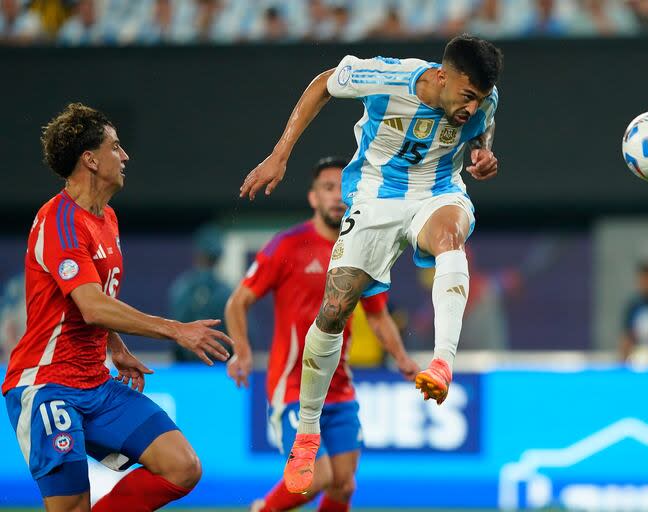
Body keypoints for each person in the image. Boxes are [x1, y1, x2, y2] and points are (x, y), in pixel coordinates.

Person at [239, 34, 502, 493]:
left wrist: (480, 150)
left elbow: (482, 123)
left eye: (479, 98)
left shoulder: (484, 98)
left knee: (450, 240)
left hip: (437, 190)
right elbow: (323, 83)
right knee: (334, 309)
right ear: (443, 76)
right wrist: (280, 154)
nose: (472, 106)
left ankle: (442, 363)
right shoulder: (389, 76)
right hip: (376, 194)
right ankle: (305, 432)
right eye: (466, 96)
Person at [2, 103, 233, 512]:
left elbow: (93, 300)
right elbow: (90, 305)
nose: (124, 156)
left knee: (182, 466)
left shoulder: (106, 217)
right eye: (115, 146)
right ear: (90, 159)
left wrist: (117, 346)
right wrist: (176, 330)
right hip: (46, 386)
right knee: (71, 505)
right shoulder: (59, 221)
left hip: (95, 383)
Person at [227, 157, 419, 512]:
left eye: (344, 189)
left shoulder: (363, 250)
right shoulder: (288, 245)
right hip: (294, 388)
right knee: (316, 478)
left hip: (340, 388)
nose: (337, 197)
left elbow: (378, 316)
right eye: (328, 189)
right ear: (313, 198)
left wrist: (404, 360)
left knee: (344, 484)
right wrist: (242, 350)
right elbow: (238, 302)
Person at [168, 225, 231, 362]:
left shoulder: (181, 287)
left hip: (187, 370)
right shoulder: (227, 292)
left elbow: (173, 336)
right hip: (220, 369)